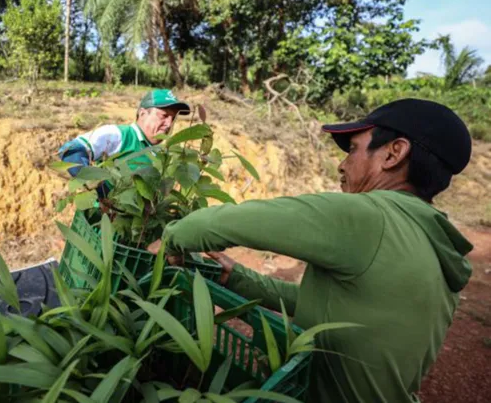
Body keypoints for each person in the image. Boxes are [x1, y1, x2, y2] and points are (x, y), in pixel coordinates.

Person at [148, 98, 474, 403]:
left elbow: (219, 224)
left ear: (393, 153)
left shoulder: (368, 217)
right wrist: (237, 278)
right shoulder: (435, 242)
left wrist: (173, 239)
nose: (342, 165)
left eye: (354, 150)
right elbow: (337, 308)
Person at [57, 89, 191, 189]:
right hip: (98, 225)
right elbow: (71, 151)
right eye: (164, 115)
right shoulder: (119, 134)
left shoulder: (160, 156)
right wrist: (96, 188)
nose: (169, 124)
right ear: (143, 113)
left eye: (173, 118)